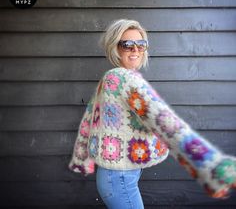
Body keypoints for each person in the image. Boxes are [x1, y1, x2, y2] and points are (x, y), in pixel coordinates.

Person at [68, 19, 236, 209]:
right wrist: (211, 163)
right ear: (115, 48)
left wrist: (84, 158)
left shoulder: (111, 77)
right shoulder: (124, 78)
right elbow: (165, 121)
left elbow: (91, 121)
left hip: (114, 175)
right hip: (120, 178)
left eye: (141, 44)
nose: (136, 50)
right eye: (127, 45)